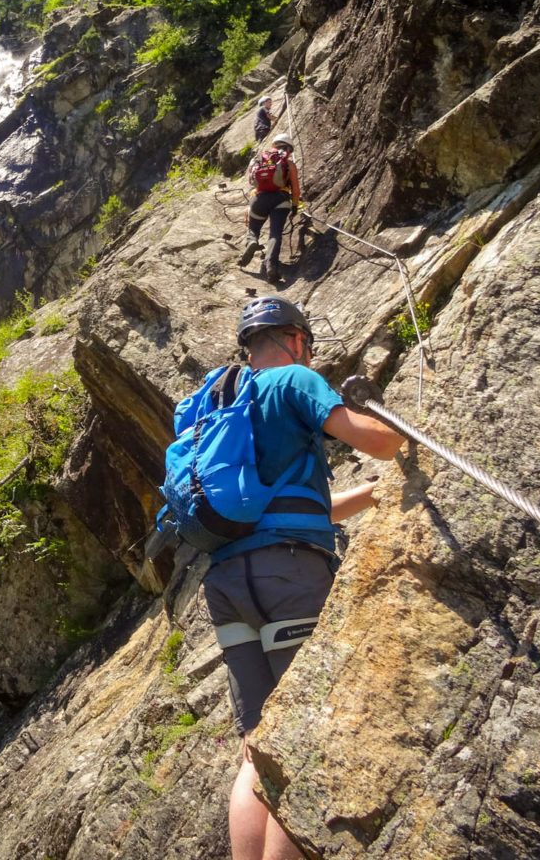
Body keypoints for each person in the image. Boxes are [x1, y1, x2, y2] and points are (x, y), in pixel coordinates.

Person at [203, 295, 403, 860]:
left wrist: (373, 496)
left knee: (257, 746)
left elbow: (300, 506)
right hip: (287, 575)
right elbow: (378, 441)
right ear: (296, 341)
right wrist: (407, 442)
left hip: (226, 583)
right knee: (302, 741)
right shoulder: (293, 379)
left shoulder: (223, 400)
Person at [239, 134, 300, 283]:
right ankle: (271, 266)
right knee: (275, 233)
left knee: (253, 228)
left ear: (274, 145)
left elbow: (252, 182)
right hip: (281, 200)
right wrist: (294, 206)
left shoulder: (258, 160)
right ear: (288, 149)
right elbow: (296, 190)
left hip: (259, 199)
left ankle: (252, 241)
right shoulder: (289, 164)